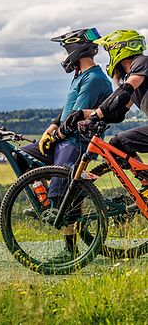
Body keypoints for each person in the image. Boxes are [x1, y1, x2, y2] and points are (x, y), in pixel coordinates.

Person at [18, 28, 112, 261]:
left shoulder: (94, 79)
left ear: (76, 50)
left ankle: (69, 248)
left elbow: (77, 118)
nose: (65, 56)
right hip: (63, 138)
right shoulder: (80, 76)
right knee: (21, 157)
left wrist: (55, 136)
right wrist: (51, 127)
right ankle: (46, 200)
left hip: (76, 142)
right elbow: (67, 109)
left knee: (61, 191)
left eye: (67, 50)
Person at [77, 29, 148, 160]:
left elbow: (123, 92)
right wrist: (83, 114)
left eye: (109, 52)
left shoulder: (141, 62)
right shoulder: (136, 77)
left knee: (119, 142)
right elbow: (117, 112)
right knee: (117, 145)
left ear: (118, 50)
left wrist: (95, 116)